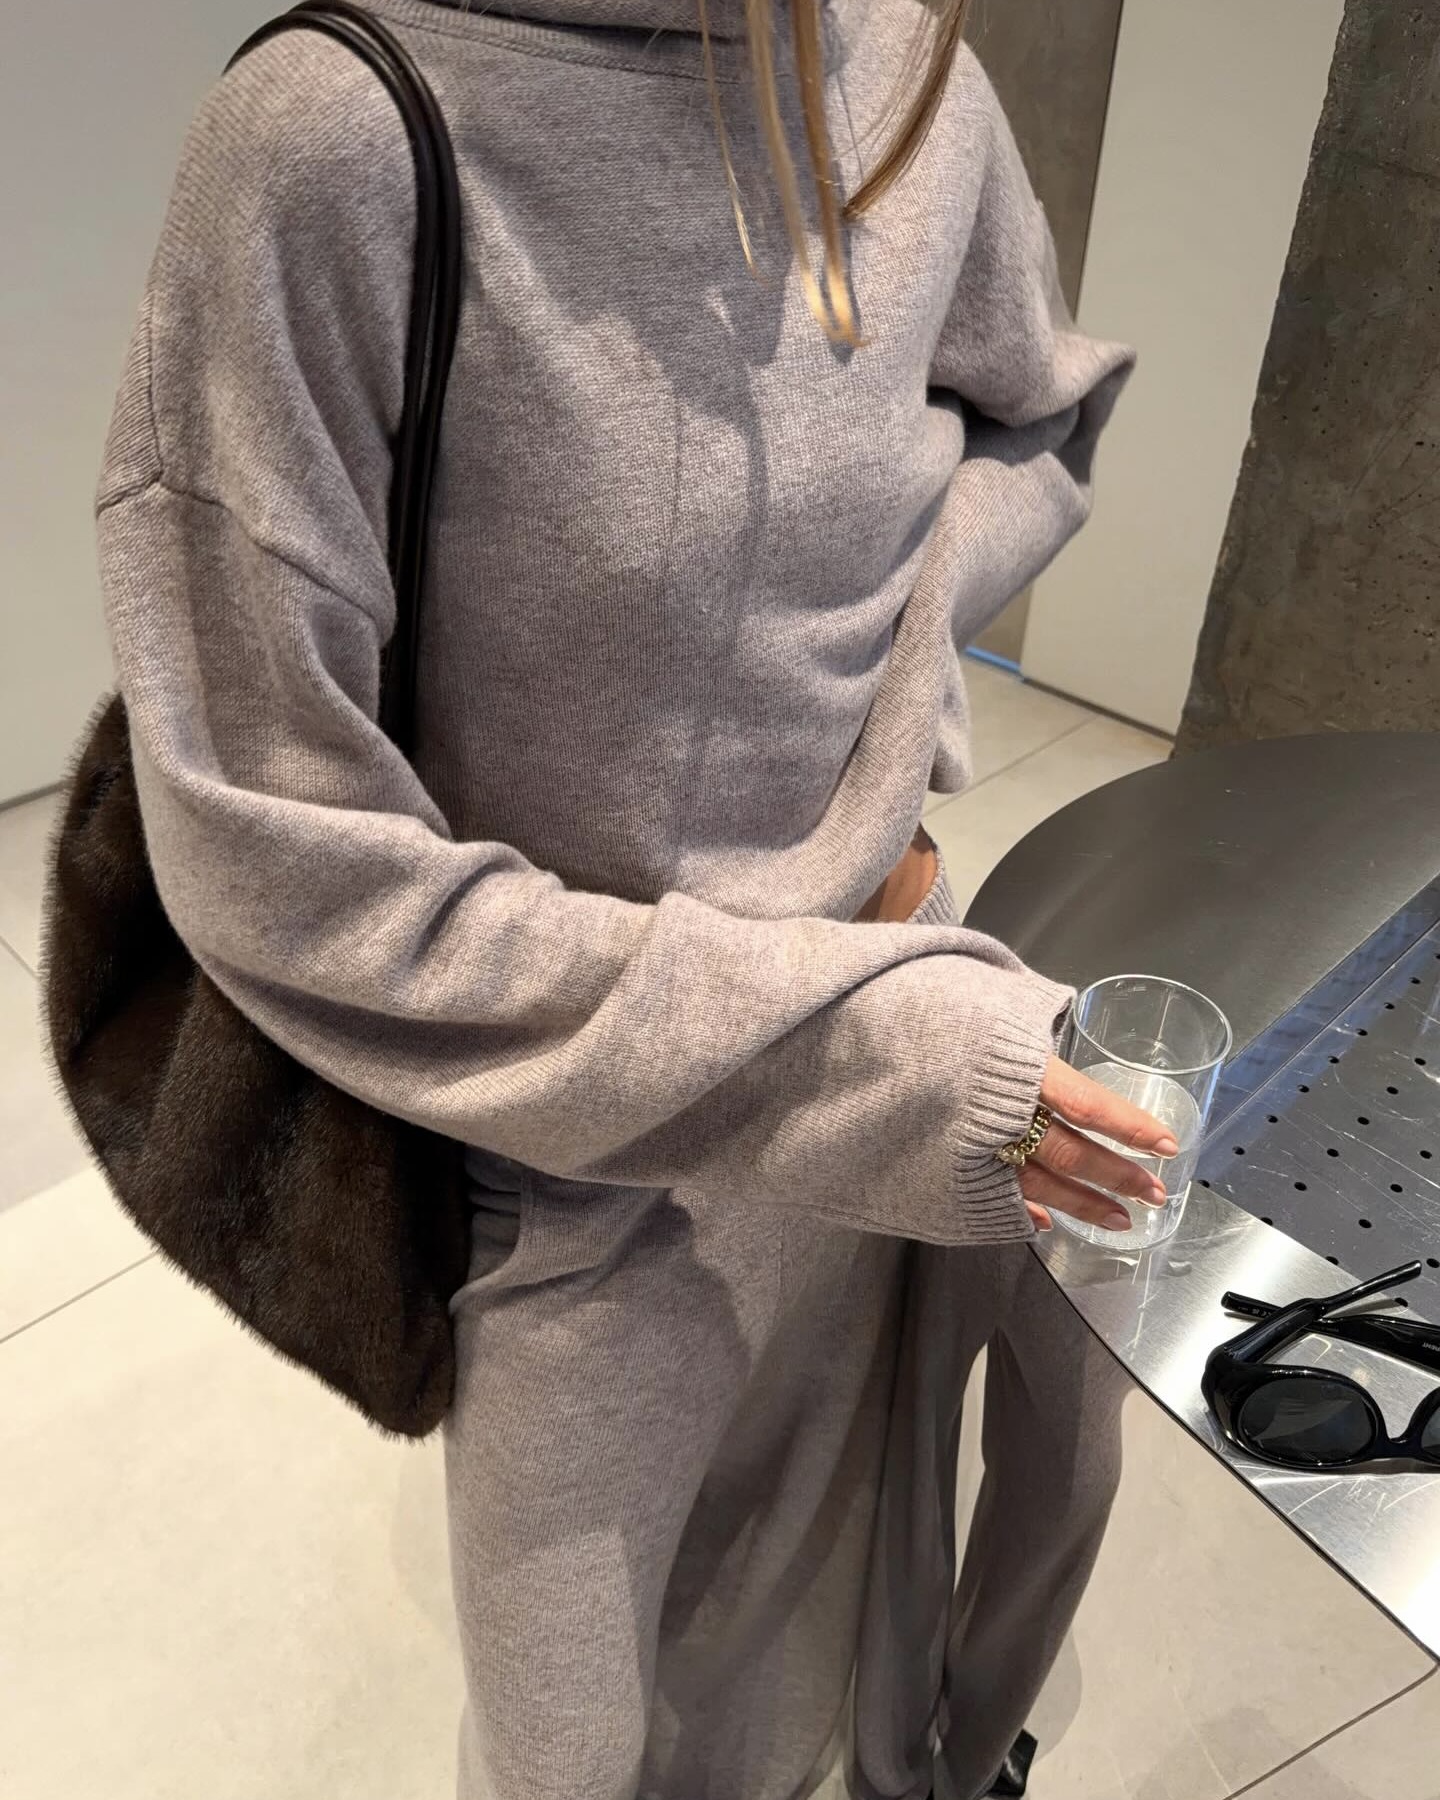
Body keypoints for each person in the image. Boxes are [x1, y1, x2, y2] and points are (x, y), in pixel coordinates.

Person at [90, 0, 1166, 1795]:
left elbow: (1035, 412)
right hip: (578, 1158)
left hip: (888, 1039)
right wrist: (864, 1062)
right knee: (573, 1746)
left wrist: (896, 690)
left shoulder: (901, 71)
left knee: (808, 1669)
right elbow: (274, 850)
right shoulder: (330, 143)